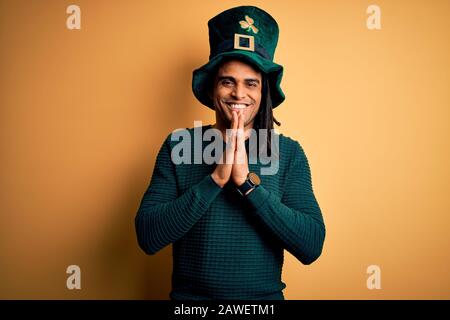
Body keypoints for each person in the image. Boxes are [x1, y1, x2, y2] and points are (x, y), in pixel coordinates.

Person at [135, 5, 325, 300]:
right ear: (213, 89)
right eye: (228, 82)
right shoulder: (178, 146)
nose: (239, 94)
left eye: (251, 83)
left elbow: (311, 246)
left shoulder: (288, 153)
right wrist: (216, 178)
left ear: (264, 94)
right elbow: (148, 237)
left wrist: (247, 185)